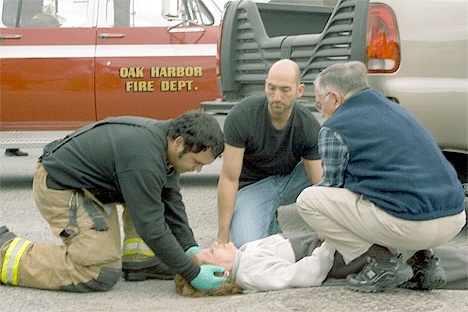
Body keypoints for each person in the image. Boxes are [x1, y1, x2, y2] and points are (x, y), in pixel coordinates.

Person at [0, 111, 227, 292]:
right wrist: (193, 272)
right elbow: (151, 226)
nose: (197, 170)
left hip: (95, 187)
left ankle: (140, 260)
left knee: (152, 194)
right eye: (197, 162)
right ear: (179, 143)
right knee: (98, 271)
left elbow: (171, 201)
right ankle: (5, 253)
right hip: (62, 187)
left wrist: (191, 249)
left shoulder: (165, 145)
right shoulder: (143, 157)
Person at [296, 61, 466, 293]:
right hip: (454, 216)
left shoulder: (334, 127)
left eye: (319, 103)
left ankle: (381, 263)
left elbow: (333, 187)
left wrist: (328, 229)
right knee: (391, 191)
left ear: (334, 98)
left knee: (309, 200)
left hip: (411, 225)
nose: (321, 111)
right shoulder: (397, 110)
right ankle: (424, 263)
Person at [217, 59, 323, 247]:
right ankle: (270, 226)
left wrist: (328, 229)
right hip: (252, 188)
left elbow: (320, 183)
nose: (276, 96)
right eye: (271, 88)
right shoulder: (242, 116)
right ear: (265, 85)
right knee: (246, 246)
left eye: (285, 90)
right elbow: (229, 179)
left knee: (337, 165)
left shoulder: (307, 125)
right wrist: (222, 239)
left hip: (291, 181)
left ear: (299, 91)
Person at [174, 233, 468, 296]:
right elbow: (306, 274)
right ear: (219, 272)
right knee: (405, 259)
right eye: (210, 254)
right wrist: (330, 241)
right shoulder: (251, 272)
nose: (213, 245)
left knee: (407, 253)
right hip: (334, 257)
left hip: (326, 247)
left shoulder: (245, 254)